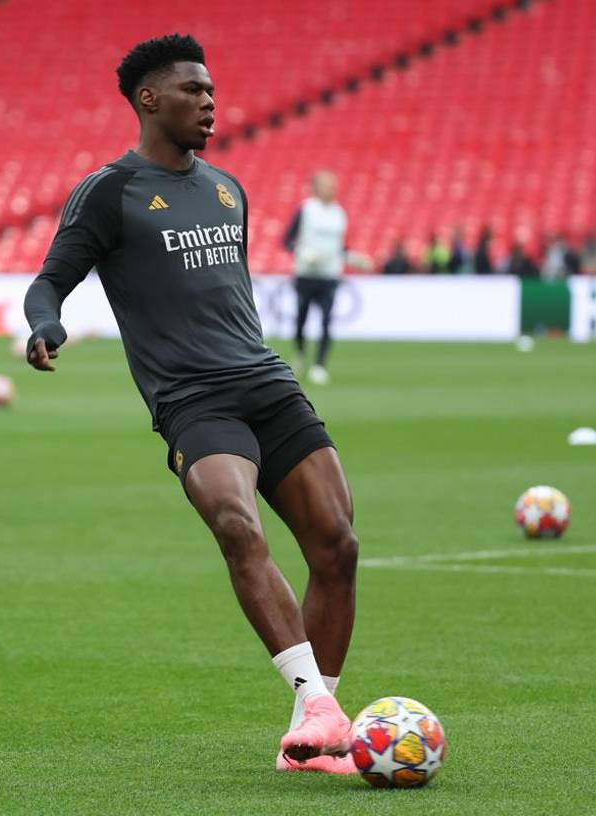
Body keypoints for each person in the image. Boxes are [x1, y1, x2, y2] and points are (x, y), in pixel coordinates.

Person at [23, 34, 359, 774]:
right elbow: (50, 280)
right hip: (192, 400)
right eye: (192, 90)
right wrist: (45, 324)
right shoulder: (108, 191)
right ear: (150, 98)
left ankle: (310, 737)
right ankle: (315, 703)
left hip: (267, 385)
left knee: (337, 545)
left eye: (211, 90)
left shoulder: (227, 188)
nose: (209, 102)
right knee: (237, 525)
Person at [282, 171, 348, 385]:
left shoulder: (339, 213)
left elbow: (340, 246)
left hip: (329, 275)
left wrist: (351, 256)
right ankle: (300, 354)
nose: (332, 189)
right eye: (327, 185)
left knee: (327, 320)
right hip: (306, 274)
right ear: (316, 188)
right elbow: (286, 240)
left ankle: (320, 365)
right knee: (301, 319)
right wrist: (303, 253)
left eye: (333, 185)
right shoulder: (306, 210)